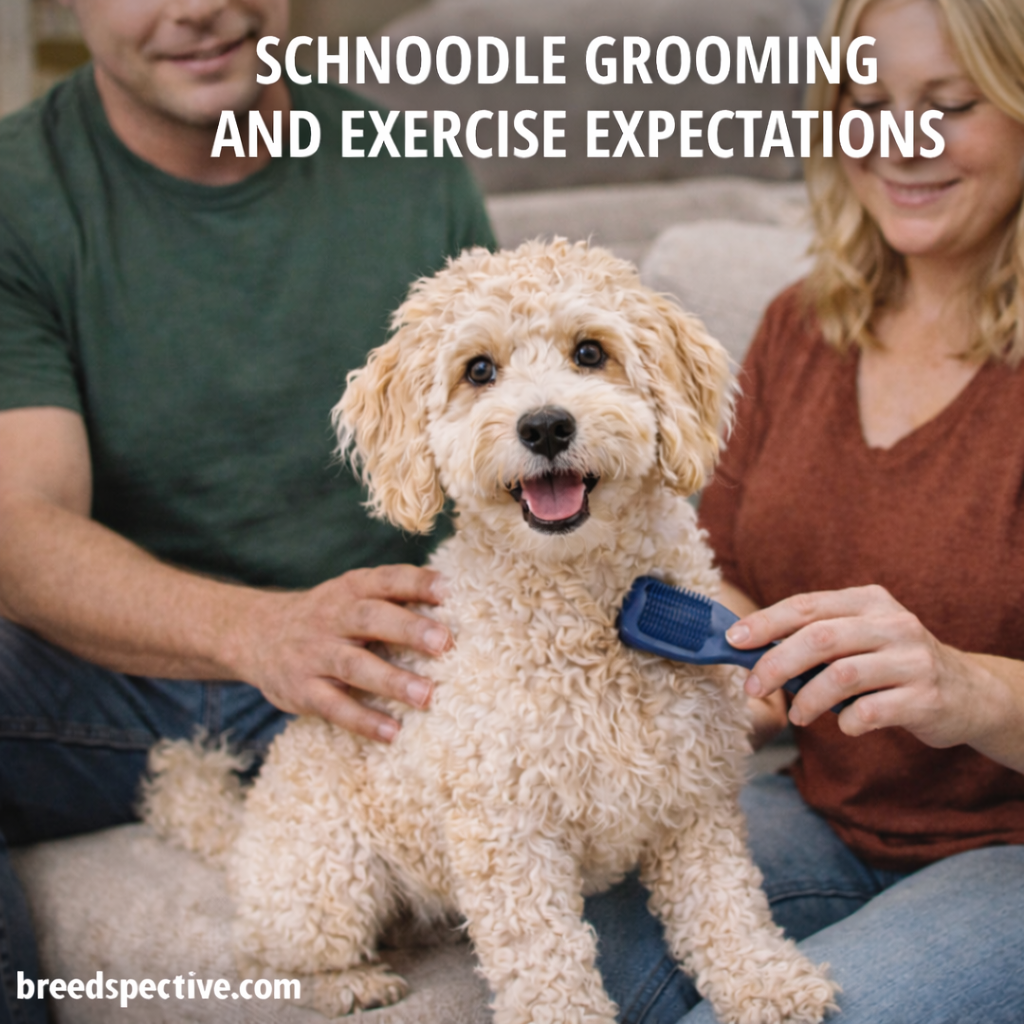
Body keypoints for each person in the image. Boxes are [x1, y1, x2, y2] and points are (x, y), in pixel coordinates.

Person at [0, 1, 495, 1019]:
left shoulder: (408, 169)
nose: (196, 8)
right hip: (111, 670)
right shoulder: (20, 193)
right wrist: (258, 629)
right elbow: (19, 528)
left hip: (380, 665)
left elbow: (497, 476)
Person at [586, 0, 1024, 1021]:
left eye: (948, 105)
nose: (901, 144)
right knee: (565, 941)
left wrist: (966, 689)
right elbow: (718, 559)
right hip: (828, 811)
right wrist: (734, 654)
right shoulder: (803, 325)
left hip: (1011, 852)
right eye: (867, 105)